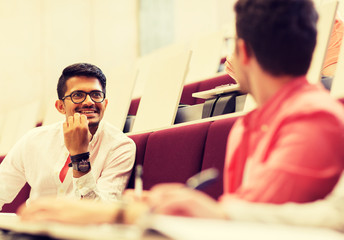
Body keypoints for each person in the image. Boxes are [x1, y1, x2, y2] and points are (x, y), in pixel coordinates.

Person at [17, 0, 344, 231]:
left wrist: (130, 212)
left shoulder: (312, 119)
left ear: (242, 52)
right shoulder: (251, 124)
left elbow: (246, 222)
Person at [0, 63, 136, 211]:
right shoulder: (33, 140)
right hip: (31, 228)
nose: (89, 102)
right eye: (78, 95)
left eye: (96, 94)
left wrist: (80, 155)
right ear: (60, 107)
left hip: (81, 233)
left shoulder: (120, 146)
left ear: (105, 104)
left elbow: (101, 212)